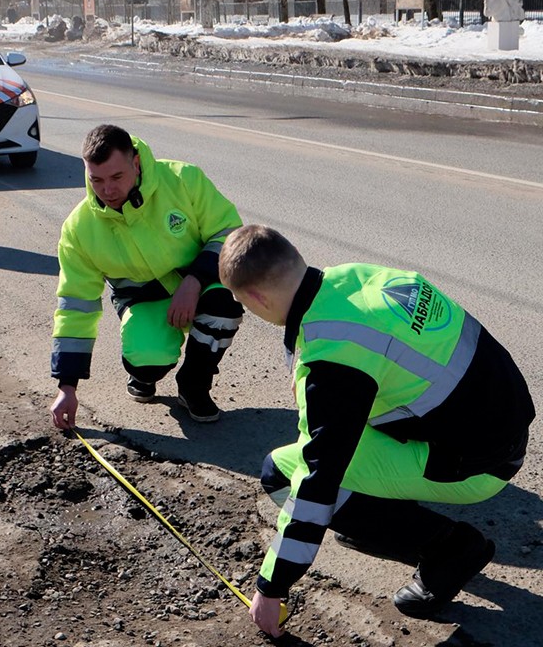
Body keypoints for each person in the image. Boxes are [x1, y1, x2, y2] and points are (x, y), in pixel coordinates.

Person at [217, 224, 535, 637]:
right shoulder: (352, 278)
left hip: (480, 465)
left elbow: (317, 478)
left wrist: (270, 589)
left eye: (242, 301)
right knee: (321, 451)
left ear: (257, 298)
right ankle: (379, 521)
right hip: (496, 428)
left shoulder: (332, 357)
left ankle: (449, 548)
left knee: (282, 474)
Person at [49, 124, 245, 428]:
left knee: (225, 305)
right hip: (143, 299)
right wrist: (67, 387)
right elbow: (76, 305)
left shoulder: (183, 179)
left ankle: (194, 385)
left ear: (136, 163)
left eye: (117, 177)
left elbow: (229, 232)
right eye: (96, 180)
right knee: (148, 361)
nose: (108, 190)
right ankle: (142, 374)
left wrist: (194, 281)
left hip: (200, 282)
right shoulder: (78, 229)